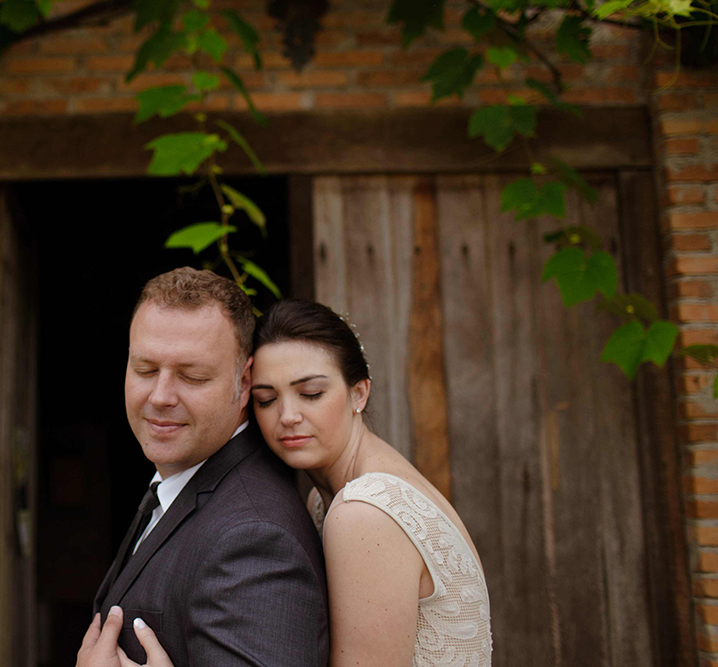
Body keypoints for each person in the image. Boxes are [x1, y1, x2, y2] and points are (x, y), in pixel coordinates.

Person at [107, 298, 493, 667]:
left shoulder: (364, 514)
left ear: (359, 392)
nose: (288, 415)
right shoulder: (336, 496)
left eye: (311, 393)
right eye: (267, 399)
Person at [77, 269, 329, 667]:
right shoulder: (178, 481)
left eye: (191, 376)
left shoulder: (256, 540)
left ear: (244, 383)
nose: (160, 396)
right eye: (144, 370)